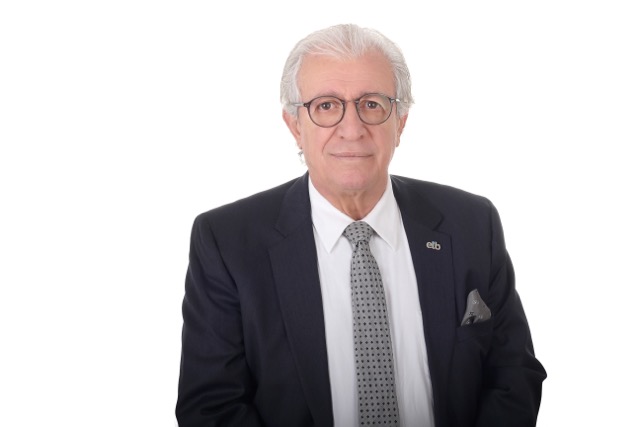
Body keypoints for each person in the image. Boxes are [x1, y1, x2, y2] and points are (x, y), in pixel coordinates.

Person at [175, 23, 546, 427]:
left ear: (400, 122)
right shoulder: (227, 243)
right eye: (326, 106)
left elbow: (513, 375)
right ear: (295, 125)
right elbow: (211, 406)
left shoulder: (471, 224)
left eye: (371, 104)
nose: (352, 130)